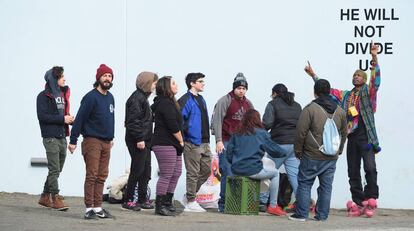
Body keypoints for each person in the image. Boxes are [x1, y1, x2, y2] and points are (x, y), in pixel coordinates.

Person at [304, 42, 381, 217]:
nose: (355, 77)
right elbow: (327, 91)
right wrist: (313, 75)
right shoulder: (346, 95)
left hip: (367, 138)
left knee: (369, 167)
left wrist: (374, 57)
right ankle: (359, 201)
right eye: (354, 75)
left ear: (364, 79)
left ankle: (371, 197)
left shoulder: (369, 94)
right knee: (352, 170)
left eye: (359, 76)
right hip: (351, 137)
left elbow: (375, 81)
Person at [289, 79, 347, 222]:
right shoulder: (340, 111)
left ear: (315, 92)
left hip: (311, 154)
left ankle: (302, 214)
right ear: (329, 91)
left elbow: (300, 132)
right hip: (331, 157)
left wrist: (298, 150)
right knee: (326, 187)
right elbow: (344, 133)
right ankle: (322, 216)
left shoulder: (310, 109)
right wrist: (339, 150)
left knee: (305, 183)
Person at [68, 64, 115, 220]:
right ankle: (89, 208)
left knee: (102, 175)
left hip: (106, 142)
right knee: (92, 175)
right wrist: (73, 140)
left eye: (110, 76)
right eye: (105, 76)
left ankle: (97, 207)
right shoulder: (90, 97)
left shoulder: (110, 97)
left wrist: (111, 137)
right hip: (92, 140)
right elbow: (80, 118)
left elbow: (110, 119)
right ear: (98, 79)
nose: (107, 78)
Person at [226, 109, 287, 215]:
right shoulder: (261, 134)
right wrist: (285, 152)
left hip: (236, 169)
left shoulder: (237, 133)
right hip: (253, 170)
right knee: (275, 173)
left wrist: (236, 163)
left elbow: (229, 154)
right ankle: (272, 206)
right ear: (257, 120)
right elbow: (274, 150)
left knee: (260, 171)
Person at [211, 72, 254, 212]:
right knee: (227, 171)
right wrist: (218, 140)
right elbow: (217, 120)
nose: (241, 90)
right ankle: (223, 204)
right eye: (239, 88)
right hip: (226, 141)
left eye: (244, 88)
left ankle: (235, 203)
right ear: (234, 88)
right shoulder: (225, 100)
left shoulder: (248, 103)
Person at [261, 83, 302, 215]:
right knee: (294, 176)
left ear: (274, 93)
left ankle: (263, 202)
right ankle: (302, 203)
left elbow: (267, 123)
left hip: (279, 144)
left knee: (269, 172)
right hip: (294, 145)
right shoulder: (297, 106)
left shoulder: (272, 104)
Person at [37, 66, 74, 211]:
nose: (64, 79)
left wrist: (70, 119)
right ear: (54, 79)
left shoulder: (62, 96)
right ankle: (55, 197)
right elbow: (43, 117)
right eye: (61, 76)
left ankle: (44, 196)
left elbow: (63, 116)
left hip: (61, 136)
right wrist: (62, 119)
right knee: (54, 169)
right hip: (50, 137)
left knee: (57, 169)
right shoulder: (42, 96)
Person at [122, 72, 158, 211]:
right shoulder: (136, 98)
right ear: (147, 83)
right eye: (154, 83)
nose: (155, 86)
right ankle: (129, 199)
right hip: (138, 140)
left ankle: (142, 199)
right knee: (137, 170)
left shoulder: (144, 98)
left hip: (145, 140)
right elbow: (133, 121)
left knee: (145, 170)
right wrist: (139, 138)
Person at [178, 73, 211, 212]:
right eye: (200, 81)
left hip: (204, 142)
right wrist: (184, 139)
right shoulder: (185, 99)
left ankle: (188, 197)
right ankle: (191, 201)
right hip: (192, 142)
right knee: (193, 172)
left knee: (206, 170)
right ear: (192, 83)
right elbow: (179, 120)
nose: (203, 83)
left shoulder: (201, 99)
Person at [151, 76, 184, 216]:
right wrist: (181, 141)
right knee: (166, 174)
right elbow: (172, 125)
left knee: (176, 173)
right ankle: (159, 206)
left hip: (173, 144)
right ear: (166, 87)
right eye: (173, 83)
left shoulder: (171, 102)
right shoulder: (164, 103)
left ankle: (167, 201)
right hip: (164, 143)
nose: (176, 85)